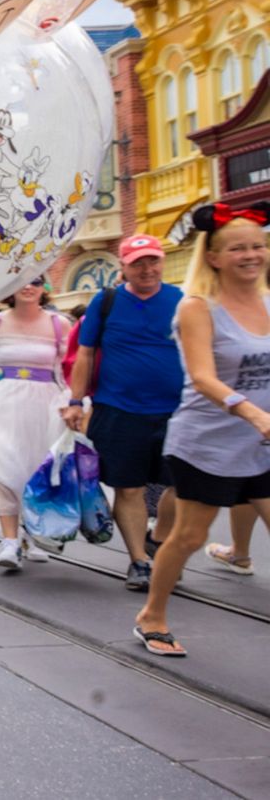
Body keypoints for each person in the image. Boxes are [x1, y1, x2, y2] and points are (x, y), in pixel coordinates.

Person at [135, 206, 270, 657]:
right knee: (190, 537)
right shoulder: (197, 307)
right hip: (207, 443)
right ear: (213, 256)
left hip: (263, 445)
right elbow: (203, 377)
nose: (251, 255)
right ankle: (152, 615)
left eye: (258, 246)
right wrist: (252, 413)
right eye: (239, 249)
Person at [62, 234, 185, 591]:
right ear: (124, 268)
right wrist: (75, 400)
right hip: (119, 410)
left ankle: (159, 540)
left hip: (176, 411)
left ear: (162, 262)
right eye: (138, 263)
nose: (147, 269)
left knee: (182, 486)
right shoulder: (106, 302)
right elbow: (85, 354)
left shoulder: (181, 300)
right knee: (128, 489)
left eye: (153, 261)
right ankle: (140, 562)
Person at [0, 277, 72, 570]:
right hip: (1, 405)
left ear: (44, 287)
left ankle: (30, 534)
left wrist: (75, 401)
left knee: (34, 470)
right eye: (21, 281)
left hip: (45, 407)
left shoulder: (60, 325)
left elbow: (70, 368)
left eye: (35, 281)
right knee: (5, 469)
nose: (28, 287)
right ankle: (9, 541)